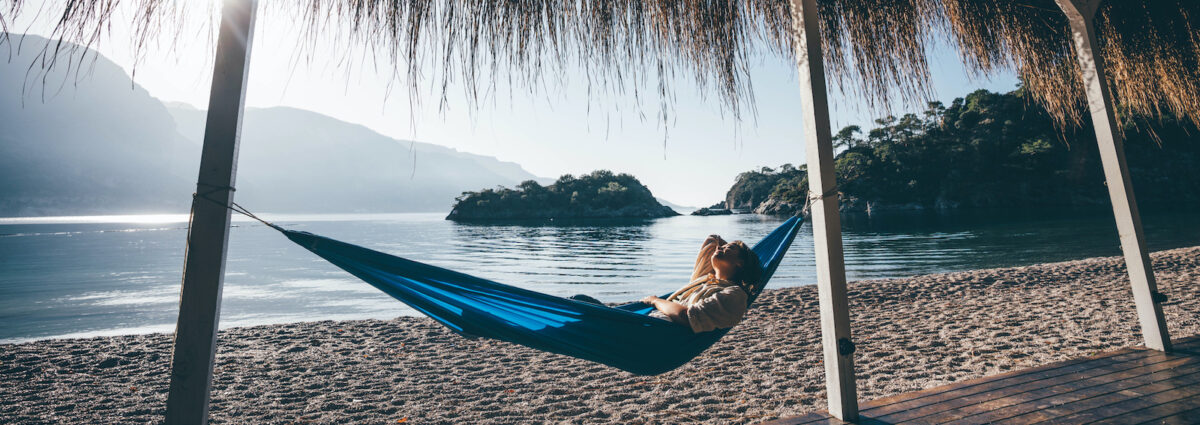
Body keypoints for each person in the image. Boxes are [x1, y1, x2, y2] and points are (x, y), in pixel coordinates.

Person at [642, 234, 763, 333]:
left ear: (740, 263)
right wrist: (725, 250)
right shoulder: (705, 280)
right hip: (651, 320)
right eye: (722, 246)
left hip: (659, 328)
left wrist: (655, 301)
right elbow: (713, 239)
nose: (720, 248)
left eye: (729, 248)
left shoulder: (735, 294)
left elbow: (687, 316)